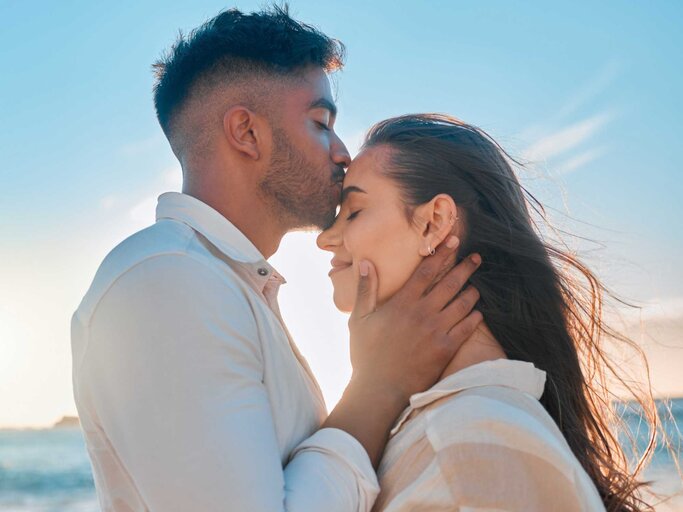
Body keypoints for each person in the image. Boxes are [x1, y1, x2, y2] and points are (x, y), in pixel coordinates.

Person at [71, 8, 483, 512]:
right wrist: (379, 383)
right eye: (321, 123)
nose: (343, 153)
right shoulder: (166, 281)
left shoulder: (222, 283)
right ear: (246, 132)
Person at [317, 113, 657, 512]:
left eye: (354, 211)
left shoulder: (471, 444)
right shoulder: (470, 426)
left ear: (435, 223)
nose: (326, 238)